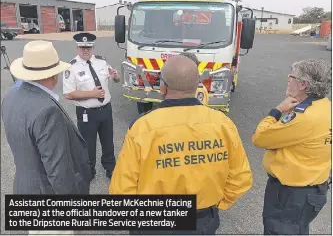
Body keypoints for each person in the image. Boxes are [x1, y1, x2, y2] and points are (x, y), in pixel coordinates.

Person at [109, 55, 253, 235]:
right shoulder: (223, 124)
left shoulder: (143, 128)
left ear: (163, 86)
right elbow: (241, 177)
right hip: (202, 222)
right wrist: (216, 204)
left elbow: (122, 188)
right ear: (197, 86)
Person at [2, 40, 91, 234]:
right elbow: (58, 171)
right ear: (53, 74)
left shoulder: (11, 94)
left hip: (26, 187)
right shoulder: (47, 110)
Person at [252, 59, 332, 235]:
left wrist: (278, 110)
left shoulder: (304, 118)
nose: (288, 78)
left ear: (303, 84)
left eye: (292, 75)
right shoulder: (325, 106)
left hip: (291, 195)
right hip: (313, 188)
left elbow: (260, 138)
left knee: (281, 230)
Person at [63, 32, 120, 181]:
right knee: (88, 144)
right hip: (86, 112)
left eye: (88, 47)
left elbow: (114, 77)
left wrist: (116, 76)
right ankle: (89, 171)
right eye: (82, 47)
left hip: (105, 110)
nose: (85, 50)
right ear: (77, 47)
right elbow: (68, 94)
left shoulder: (101, 62)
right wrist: (92, 94)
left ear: (93, 47)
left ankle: (110, 168)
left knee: (108, 141)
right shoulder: (71, 67)